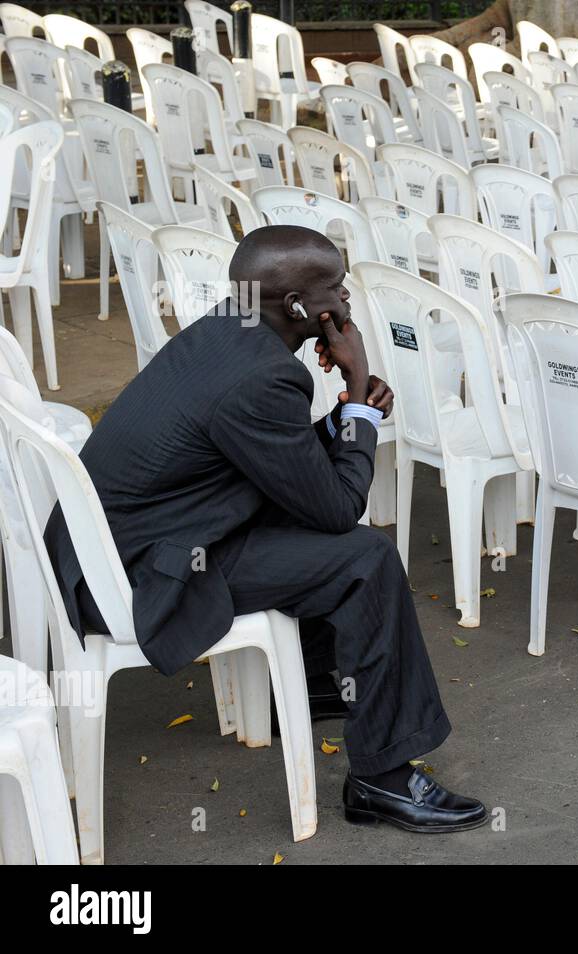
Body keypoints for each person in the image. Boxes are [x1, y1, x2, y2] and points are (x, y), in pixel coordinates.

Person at [44, 226, 487, 833]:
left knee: (301, 520)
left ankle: (314, 685)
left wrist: (341, 421)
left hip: (113, 543)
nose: (347, 302)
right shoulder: (261, 375)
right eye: (335, 288)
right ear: (299, 307)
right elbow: (336, 509)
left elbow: (274, 461)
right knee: (366, 558)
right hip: (137, 572)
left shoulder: (229, 331)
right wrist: (357, 393)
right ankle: (381, 780)